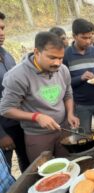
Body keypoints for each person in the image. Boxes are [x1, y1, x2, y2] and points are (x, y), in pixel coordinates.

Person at [0, 32, 79, 163]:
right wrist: (37, 117)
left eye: (60, 58)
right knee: (43, 171)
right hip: (38, 135)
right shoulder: (18, 76)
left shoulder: (63, 70)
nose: (58, 63)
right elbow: (5, 109)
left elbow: (67, 94)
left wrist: (70, 114)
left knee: (67, 164)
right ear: (37, 52)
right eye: (52, 57)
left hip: (63, 128)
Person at [63, 18, 94, 133]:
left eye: (90, 37)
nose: (88, 41)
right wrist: (80, 78)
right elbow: (64, 83)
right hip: (81, 105)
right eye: (84, 38)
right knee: (84, 136)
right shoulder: (66, 55)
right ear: (74, 36)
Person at [0, 11, 29, 172]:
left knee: (26, 161)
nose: (1, 33)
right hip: (3, 127)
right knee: (4, 169)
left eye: (3, 28)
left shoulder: (6, 55)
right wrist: (1, 134)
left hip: (19, 122)